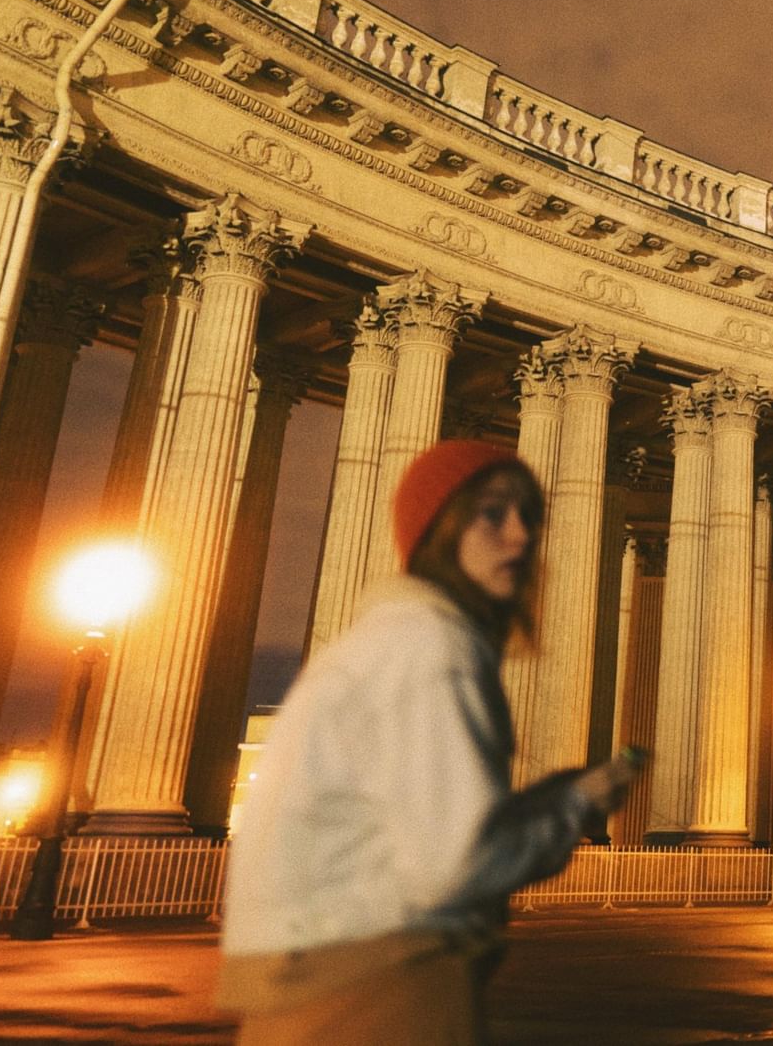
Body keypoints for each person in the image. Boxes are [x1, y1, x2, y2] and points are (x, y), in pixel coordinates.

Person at [219, 439, 646, 1044]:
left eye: (529, 516)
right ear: (438, 528)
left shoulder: (381, 641)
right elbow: (456, 863)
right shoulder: (432, 648)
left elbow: (407, 835)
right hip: (382, 980)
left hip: (307, 976)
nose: (520, 536)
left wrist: (545, 799)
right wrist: (574, 809)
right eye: (492, 513)